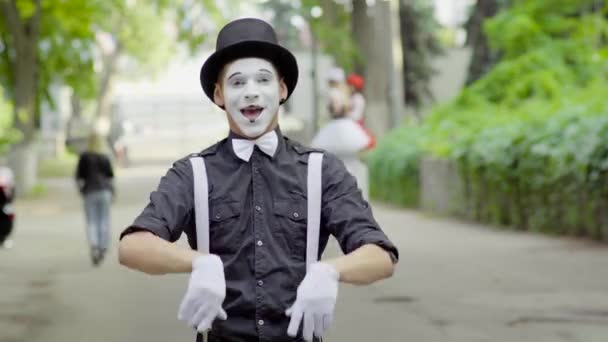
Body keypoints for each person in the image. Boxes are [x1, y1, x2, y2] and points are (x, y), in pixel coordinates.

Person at [118, 18, 398, 342]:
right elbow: (132, 246)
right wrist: (198, 263)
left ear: (281, 90)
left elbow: (380, 254)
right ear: (219, 94)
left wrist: (331, 271)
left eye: (262, 80)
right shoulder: (192, 173)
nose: (251, 92)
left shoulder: (322, 170)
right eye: (237, 83)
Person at [311, 70, 373, 200]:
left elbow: (338, 110)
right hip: (345, 127)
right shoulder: (344, 94)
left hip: (342, 126)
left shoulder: (336, 94)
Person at [76, 133, 114, 266]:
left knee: (92, 221)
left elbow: (79, 176)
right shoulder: (105, 156)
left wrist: (81, 190)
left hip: (90, 191)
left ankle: (94, 246)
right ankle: (103, 247)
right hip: (104, 191)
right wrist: (113, 192)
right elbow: (110, 176)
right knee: (104, 220)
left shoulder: (84, 157)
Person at [346, 73, 375, 150]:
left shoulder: (358, 98)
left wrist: (346, 115)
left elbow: (356, 115)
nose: (348, 87)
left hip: (356, 125)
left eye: (350, 85)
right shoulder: (351, 97)